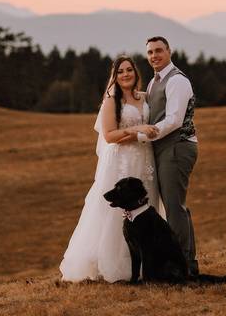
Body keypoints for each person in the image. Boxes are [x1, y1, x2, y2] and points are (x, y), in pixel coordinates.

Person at [59, 56, 165, 282]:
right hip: (122, 162)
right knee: (116, 214)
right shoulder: (111, 100)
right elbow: (109, 135)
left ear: (136, 73)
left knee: (146, 207)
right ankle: (117, 264)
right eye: (120, 72)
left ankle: (148, 263)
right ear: (115, 77)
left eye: (129, 70)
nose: (125, 74)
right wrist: (140, 128)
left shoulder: (143, 97)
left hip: (145, 159)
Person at [137, 36, 199, 277]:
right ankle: (187, 264)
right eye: (150, 52)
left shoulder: (177, 81)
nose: (154, 56)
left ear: (169, 51)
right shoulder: (155, 82)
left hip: (177, 147)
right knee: (176, 208)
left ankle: (183, 267)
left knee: (174, 208)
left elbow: (174, 120)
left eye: (159, 51)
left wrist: (144, 137)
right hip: (164, 148)